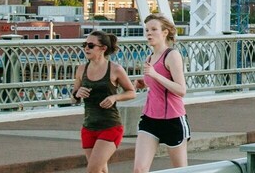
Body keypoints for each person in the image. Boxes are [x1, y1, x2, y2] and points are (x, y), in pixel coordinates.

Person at [133, 14, 190, 172]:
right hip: (150, 119)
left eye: (153, 29)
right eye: (146, 30)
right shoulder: (150, 57)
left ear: (165, 33)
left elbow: (181, 90)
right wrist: (143, 83)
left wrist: (154, 75)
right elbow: (156, 84)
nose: (149, 33)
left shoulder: (172, 55)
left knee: (180, 170)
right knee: (139, 170)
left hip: (172, 119)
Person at [74, 30, 137, 173]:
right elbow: (73, 97)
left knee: (93, 170)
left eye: (90, 45)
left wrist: (115, 97)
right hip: (88, 127)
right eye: (85, 44)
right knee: (101, 170)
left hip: (110, 126)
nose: (86, 49)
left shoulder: (115, 69)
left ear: (103, 48)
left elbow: (131, 92)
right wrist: (77, 94)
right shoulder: (81, 69)